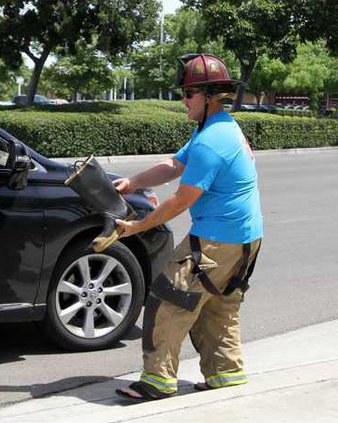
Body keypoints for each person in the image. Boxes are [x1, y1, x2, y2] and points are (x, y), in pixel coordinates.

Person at [114, 53, 263, 401]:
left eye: (189, 94)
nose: (183, 100)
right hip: (243, 239)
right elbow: (174, 164)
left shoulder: (212, 141)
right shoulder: (217, 128)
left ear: (210, 96)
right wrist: (133, 182)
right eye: (183, 93)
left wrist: (137, 227)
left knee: (168, 301)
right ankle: (226, 372)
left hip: (215, 240)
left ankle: (157, 380)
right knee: (216, 305)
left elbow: (181, 200)